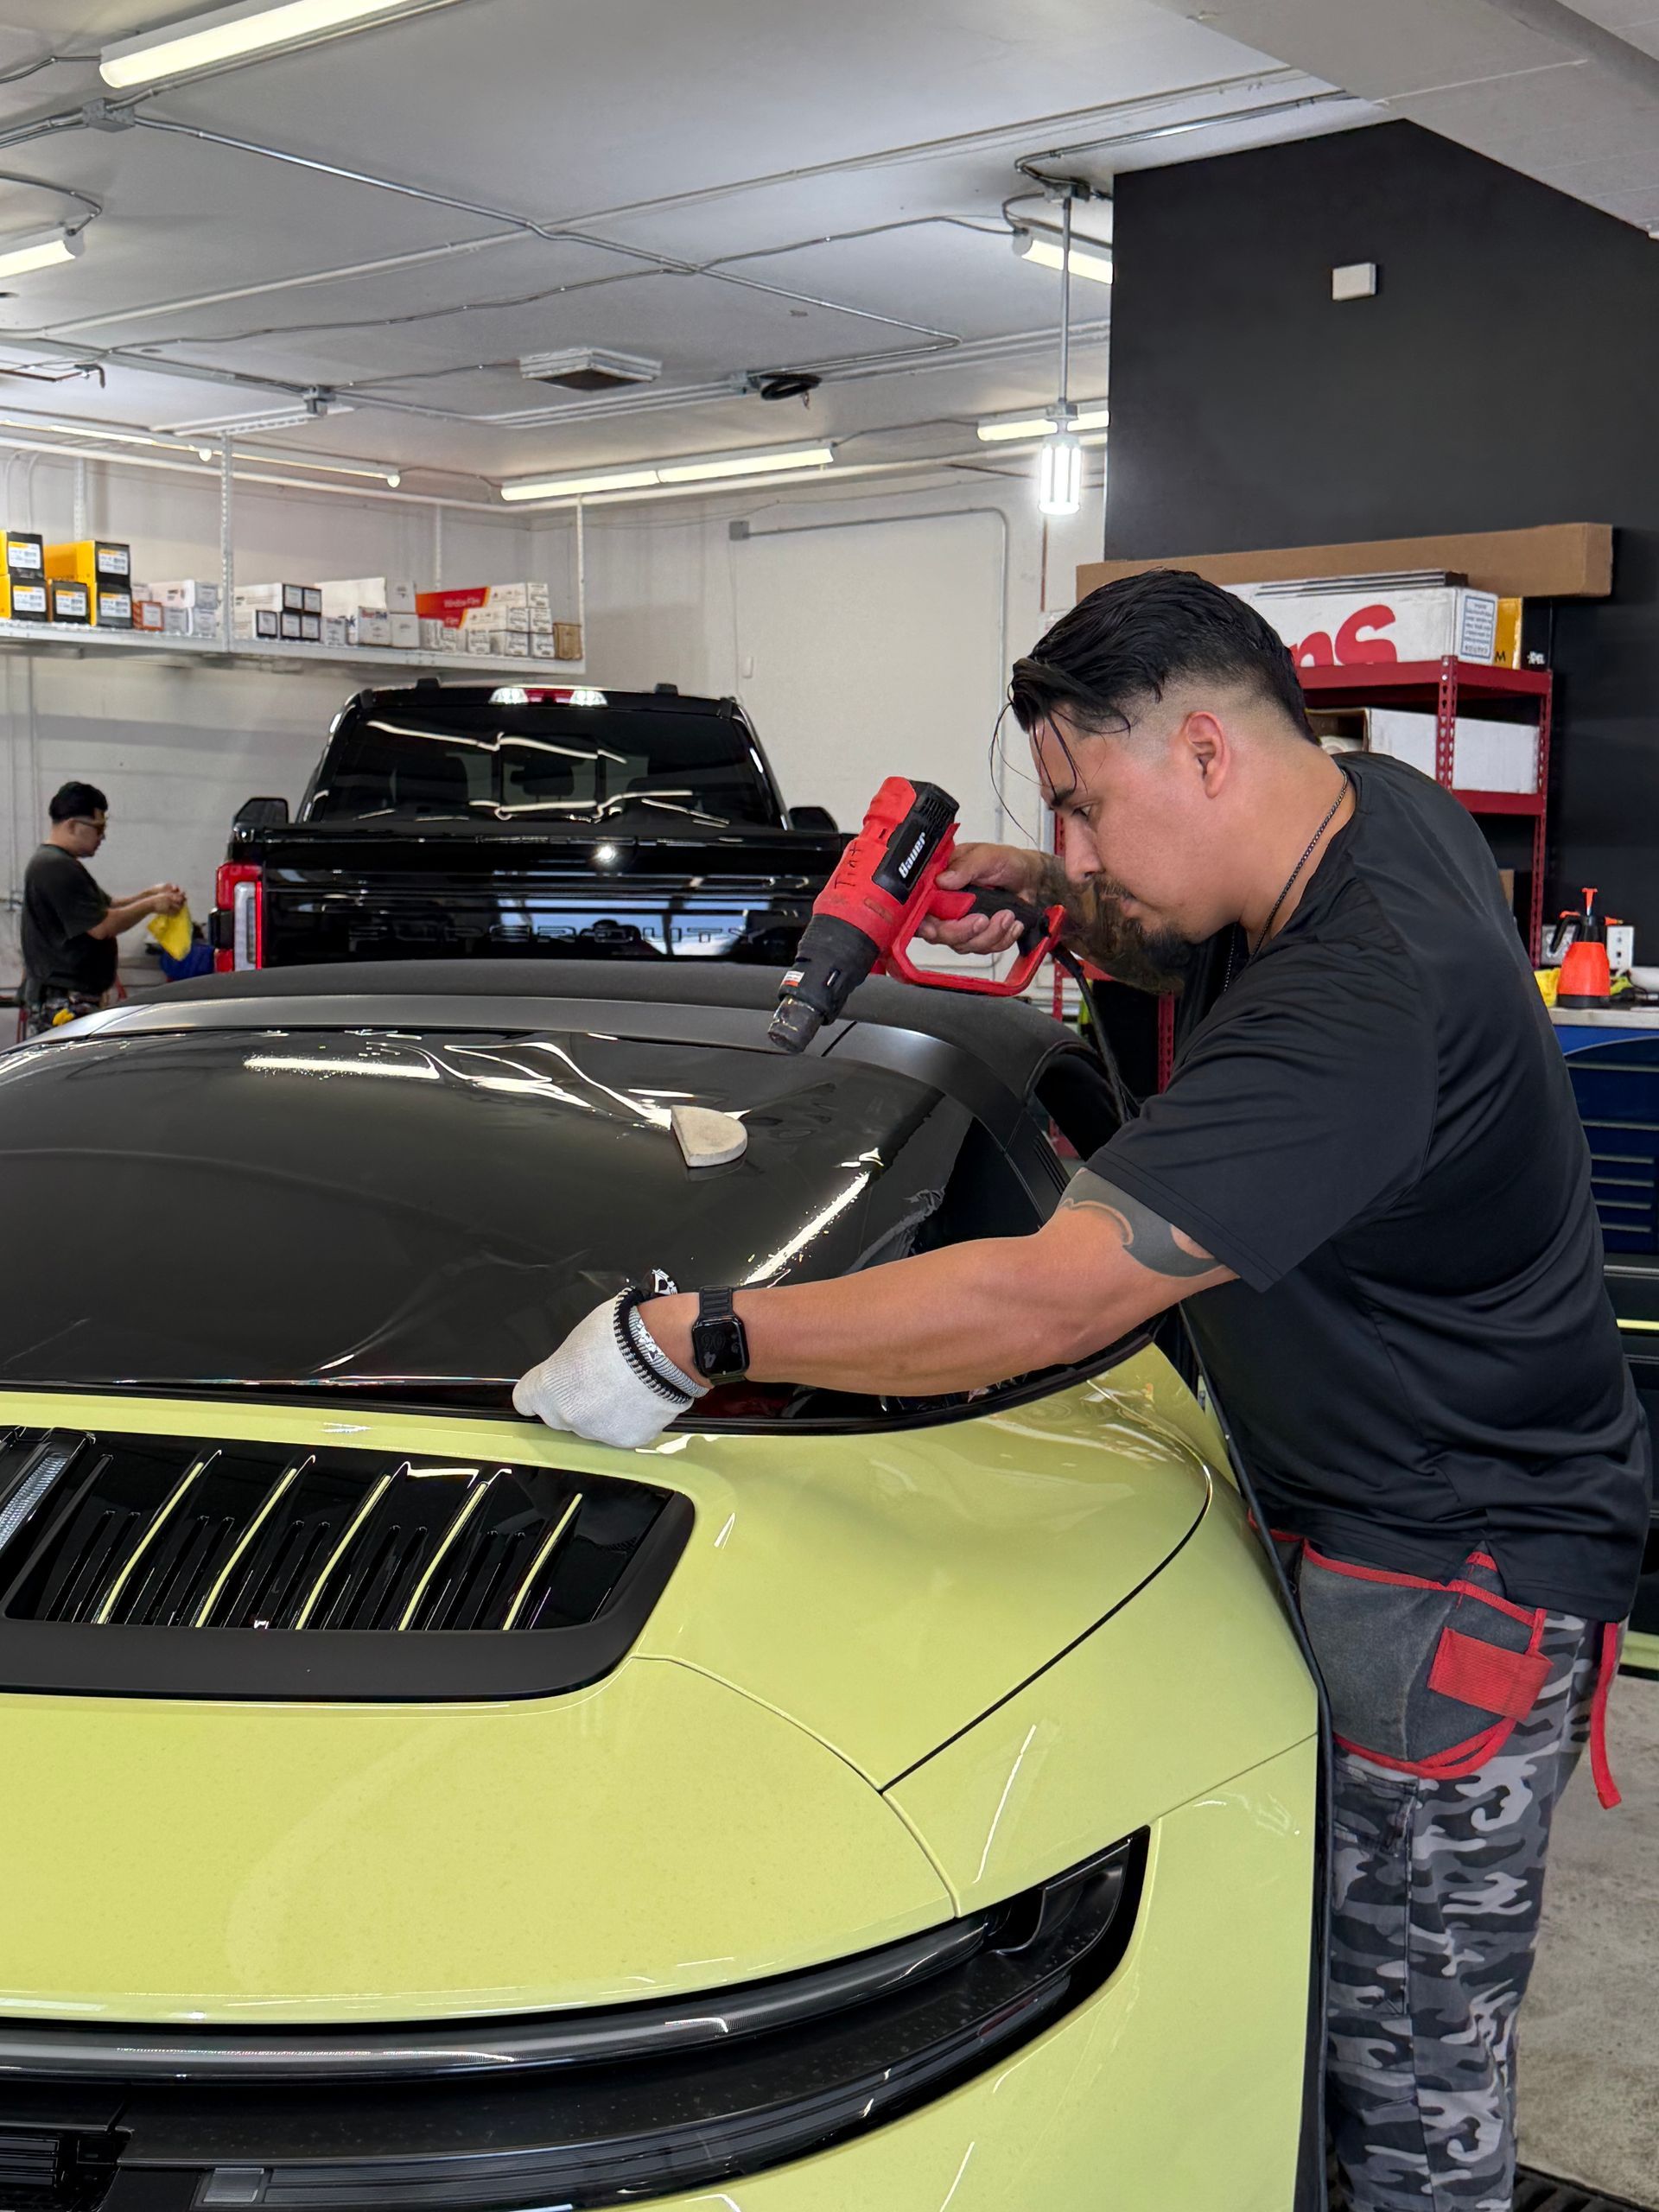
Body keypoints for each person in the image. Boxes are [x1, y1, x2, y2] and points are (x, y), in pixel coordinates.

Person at [510, 569, 1649, 2212]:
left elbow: (1054, 1294)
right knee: (1318, 1992)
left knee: (1407, 2069)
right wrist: (1048, 888)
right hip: (1387, 1511)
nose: (1086, 848)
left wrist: (692, 1340)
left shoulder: (1366, 997)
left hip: (1455, 1569)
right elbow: (1170, 925)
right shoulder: (1373, 812)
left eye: (1083, 803)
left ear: (1203, 752)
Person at [21, 782, 184, 1037]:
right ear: (74, 825)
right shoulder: (54, 867)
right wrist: (152, 905)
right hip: (63, 1003)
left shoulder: (60, 863)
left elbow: (106, 906)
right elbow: (102, 926)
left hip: (72, 998)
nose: (102, 837)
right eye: (98, 828)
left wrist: (151, 893)